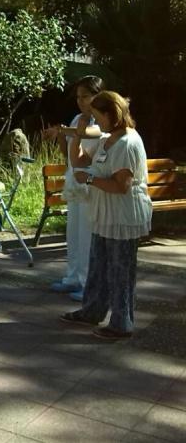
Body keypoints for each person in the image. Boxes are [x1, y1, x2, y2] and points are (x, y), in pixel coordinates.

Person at [60, 91, 152, 339]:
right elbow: (79, 161)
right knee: (98, 267)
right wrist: (77, 136)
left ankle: (122, 324)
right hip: (103, 214)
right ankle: (92, 310)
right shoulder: (107, 138)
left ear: (112, 114)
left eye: (98, 116)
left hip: (123, 216)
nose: (96, 122)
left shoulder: (127, 143)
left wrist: (90, 179)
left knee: (120, 272)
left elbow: (121, 186)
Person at [43, 76, 106, 301]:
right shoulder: (78, 118)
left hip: (91, 183)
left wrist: (66, 130)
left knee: (87, 235)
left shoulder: (102, 121)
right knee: (73, 233)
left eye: (86, 96)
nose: (81, 102)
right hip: (74, 181)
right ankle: (73, 278)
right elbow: (68, 153)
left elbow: (90, 137)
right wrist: (61, 136)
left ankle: (89, 283)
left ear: (98, 96)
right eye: (78, 97)